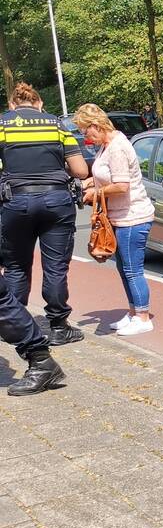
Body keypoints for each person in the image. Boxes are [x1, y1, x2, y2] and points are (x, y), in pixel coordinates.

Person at [0, 82, 89, 347]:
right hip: (56, 202)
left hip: (15, 202)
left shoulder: (3, 124)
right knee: (56, 267)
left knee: (16, 267)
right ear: (39, 104)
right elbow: (81, 170)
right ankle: (59, 327)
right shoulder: (57, 125)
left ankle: (16, 326)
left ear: (12, 105)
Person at [73, 104, 156, 336]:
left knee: (132, 269)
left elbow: (121, 185)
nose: (84, 136)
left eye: (84, 131)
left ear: (96, 125)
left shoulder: (117, 147)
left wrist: (95, 194)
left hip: (132, 217)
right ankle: (132, 313)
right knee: (123, 268)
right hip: (118, 217)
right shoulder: (106, 145)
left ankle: (143, 316)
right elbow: (105, 175)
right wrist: (89, 183)